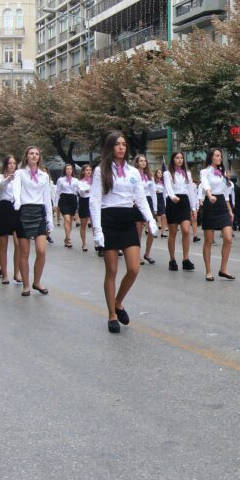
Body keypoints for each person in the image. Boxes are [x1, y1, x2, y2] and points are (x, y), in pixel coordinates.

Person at [89, 132, 158, 333]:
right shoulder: (100, 170)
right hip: (109, 218)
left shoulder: (133, 172)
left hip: (128, 218)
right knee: (111, 271)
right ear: (110, 147)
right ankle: (112, 314)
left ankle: (119, 301)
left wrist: (150, 219)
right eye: (117, 144)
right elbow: (94, 200)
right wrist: (97, 229)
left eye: (124, 144)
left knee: (134, 268)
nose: (121, 147)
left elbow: (141, 198)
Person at [13, 146, 53, 297]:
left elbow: (47, 198)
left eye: (37, 153)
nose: (34, 156)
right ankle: (26, 285)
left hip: (39, 212)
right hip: (23, 211)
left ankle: (37, 281)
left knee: (41, 250)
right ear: (26, 156)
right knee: (24, 252)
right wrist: (17, 202)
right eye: (31, 153)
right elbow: (16, 189)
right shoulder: (20, 173)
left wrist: (49, 219)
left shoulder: (44, 175)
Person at [199, 149, 236, 281]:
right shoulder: (204, 172)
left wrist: (230, 210)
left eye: (220, 155)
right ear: (211, 157)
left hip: (221, 204)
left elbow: (226, 193)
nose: (220, 157)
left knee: (228, 238)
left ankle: (223, 269)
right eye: (217, 155)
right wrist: (209, 195)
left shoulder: (222, 173)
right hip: (210, 204)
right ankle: (208, 271)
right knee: (208, 241)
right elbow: (205, 185)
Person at [163, 152, 196, 271]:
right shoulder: (167, 173)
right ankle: (172, 259)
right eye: (177, 158)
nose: (180, 160)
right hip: (173, 202)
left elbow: (191, 190)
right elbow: (168, 187)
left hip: (184, 201)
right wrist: (172, 197)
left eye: (181, 158)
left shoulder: (187, 174)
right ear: (172, 159)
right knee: (173, 233)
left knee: (186, 230)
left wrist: (194, 207)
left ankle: (185, 259)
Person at [0, 155, 20, 285]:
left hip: (16, 208)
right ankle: (5, 274)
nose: (12, 165)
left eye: (14, 163)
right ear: (6, 165)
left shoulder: (19, 176)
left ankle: (17, 272)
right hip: (4, 207)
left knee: (18, 243)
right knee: (3, 243)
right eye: (9, 163)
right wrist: (8, 179)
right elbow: (0, 187)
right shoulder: (1, 177)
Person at [133, 154, 157, 264]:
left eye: (145, 161)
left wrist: (155, 208)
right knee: (138, 231)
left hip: (148, 201)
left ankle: (147, 253)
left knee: (151, 230)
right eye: (141, 161)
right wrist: (134, 201)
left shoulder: (149, 175)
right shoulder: (133, 174)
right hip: (137, 203)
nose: (143, 162)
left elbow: (153, 192)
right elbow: (131, 189)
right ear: (137, 163)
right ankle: (137, 255)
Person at [55, 164, 80, 249]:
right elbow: (57, 192)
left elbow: (78, 191)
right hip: (64, 199)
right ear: (65, 170)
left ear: (72, 171)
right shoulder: (60, 180)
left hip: (72, 199)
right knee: (67, 219)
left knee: (70, 221)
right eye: (67, 169)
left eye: (70, 169)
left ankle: (66, 237)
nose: (69, 170)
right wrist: (56, 204)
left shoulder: (76, 180)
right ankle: (69, 239)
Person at [77, 164, 93, 252]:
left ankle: (98, 244)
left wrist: (88, 189)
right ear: (83, 172)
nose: (88, 172)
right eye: (87, 170)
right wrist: (88, 190)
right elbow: (82, 193)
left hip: (93, 202)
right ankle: (84, 243)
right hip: (84, 202)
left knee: (96, 224)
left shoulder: (94, 181)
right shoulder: (80, 182)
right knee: (83, 225)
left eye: (90, 170)